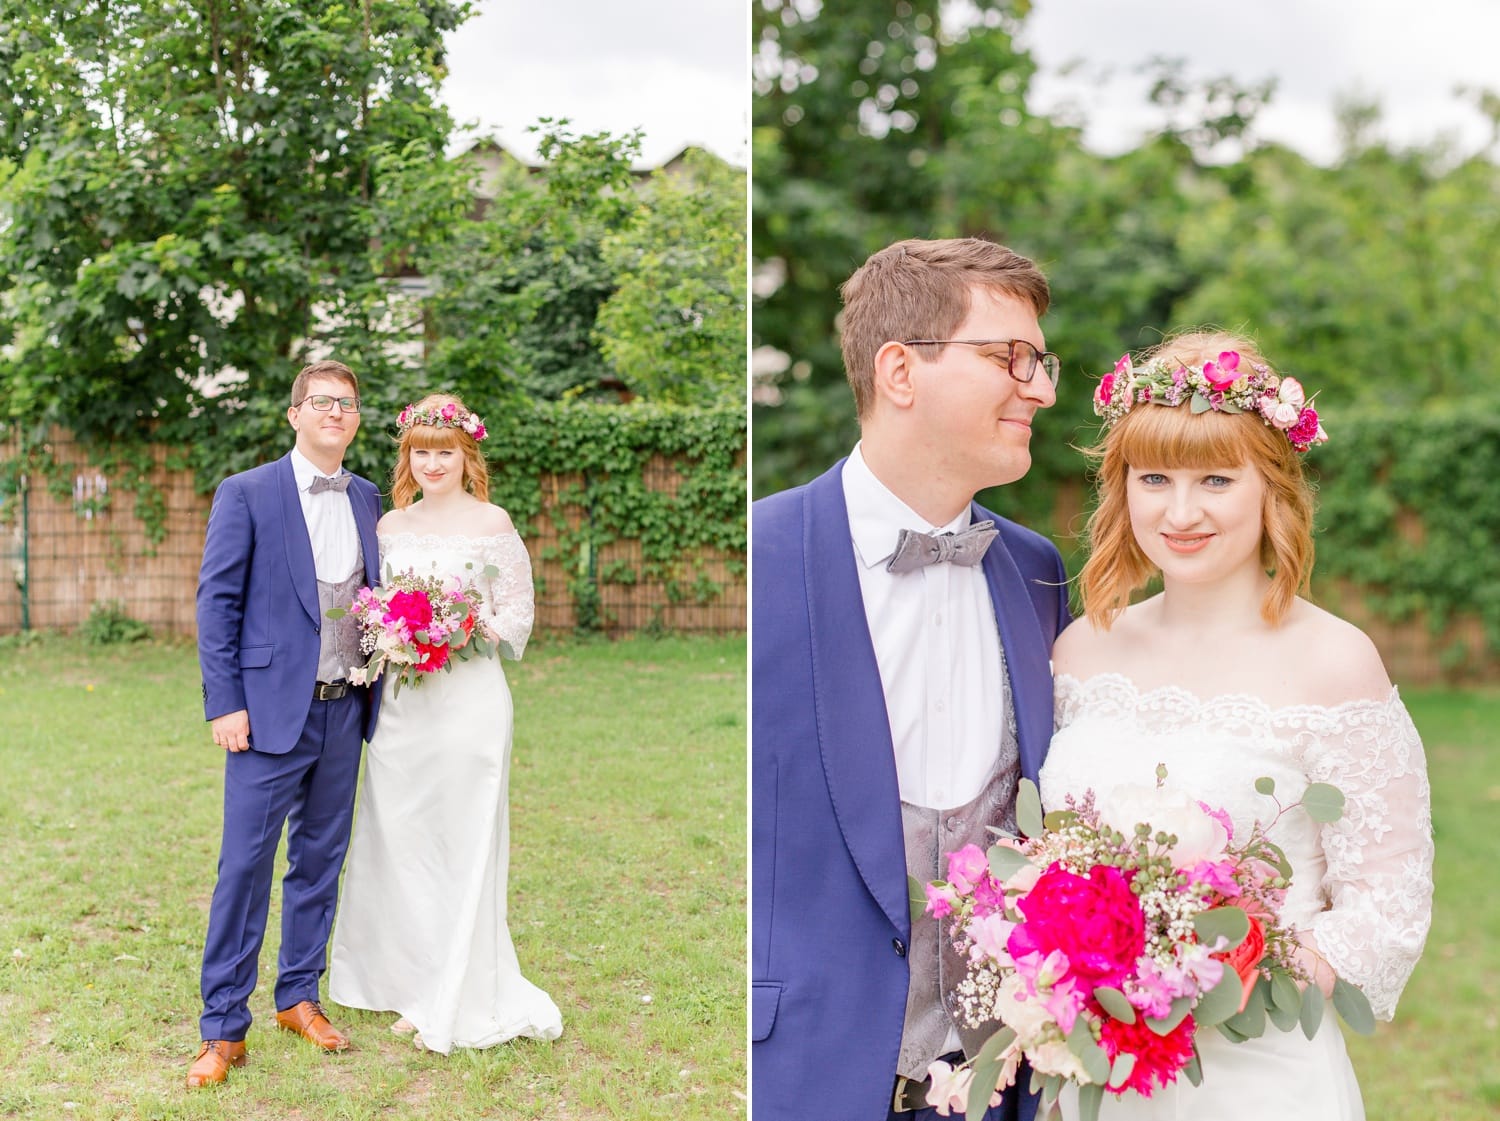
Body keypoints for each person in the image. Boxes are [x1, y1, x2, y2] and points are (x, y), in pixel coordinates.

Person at [1041, 331, 1434, 1119]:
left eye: (1216, 479)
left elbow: (1388, 899)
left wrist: (1232, 982)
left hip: (1262, 1073)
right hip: (1096, 1072)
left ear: (1270, 489)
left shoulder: (1335, 660)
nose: (1180, 511)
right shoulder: (1082, 648)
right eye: (1154, 477)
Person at [752, 238, 1071, 1121]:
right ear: (900, 370)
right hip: (799, 1081)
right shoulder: (762, 558)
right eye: (1011, 358)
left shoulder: (1040, 575)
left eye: (1040, 362)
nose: (1041, 388)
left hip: (1005, 1091)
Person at [327, 393, 563, 1054]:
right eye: (421, 452)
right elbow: (369, 607)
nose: (432, 463)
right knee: (402, 835)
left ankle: (451, 987)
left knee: (464, 837)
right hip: (404, 705)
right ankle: (408, 977)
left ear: (467, 456)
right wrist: (394, 632)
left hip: (469, 701)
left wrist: (460, 622)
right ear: (409, 457)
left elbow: (517, 611)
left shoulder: (493, 522)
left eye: (444, 452)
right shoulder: (390, 528)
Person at [190, 359, 383, 1088]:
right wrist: (223, 700)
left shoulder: (367, 498)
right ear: (295, 413)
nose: (336, 411)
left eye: (348, 403)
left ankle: (299, 994)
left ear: (356, 419)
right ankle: (221, 1027)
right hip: (265, 714)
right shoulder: (246, 493)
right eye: (322, 401)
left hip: (345, 709)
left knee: (318, 864)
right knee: (243, 868)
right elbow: (218, 603)